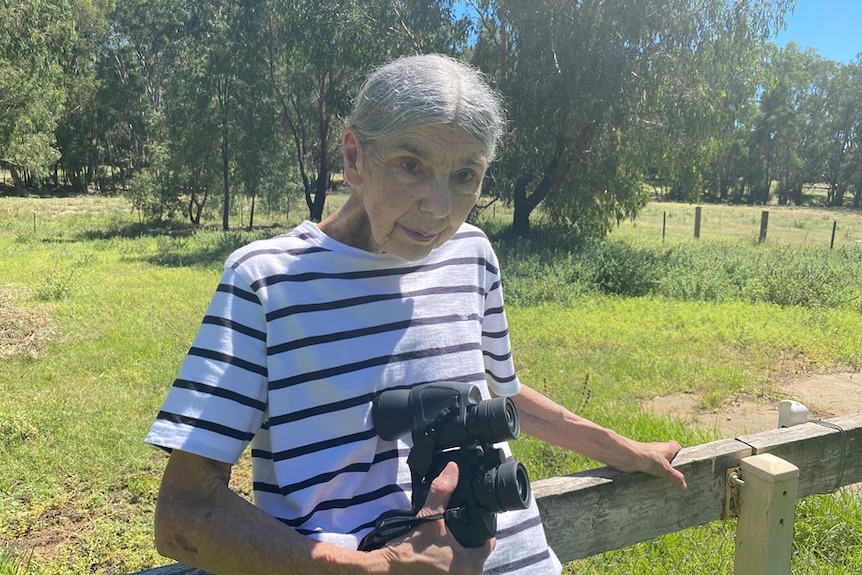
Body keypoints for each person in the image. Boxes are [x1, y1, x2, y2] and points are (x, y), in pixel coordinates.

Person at [146, 53, 687, 575]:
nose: (438, 207)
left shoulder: (472, 254)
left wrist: (625, 449)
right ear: (355, 157)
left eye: (465, 176)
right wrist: (372, 569)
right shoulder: (265, 281)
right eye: (411, 165)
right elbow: (183, 515)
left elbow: (501, 395)